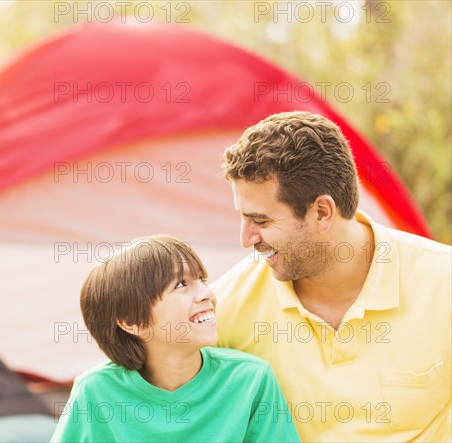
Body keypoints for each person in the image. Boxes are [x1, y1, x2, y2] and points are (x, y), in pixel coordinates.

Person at [212, 111, 451, 441]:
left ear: (322, 212)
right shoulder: (224, 308)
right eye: (243, 218)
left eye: (261, 221)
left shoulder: (443, 284)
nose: (246, 238)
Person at [51, 235, 300, 442]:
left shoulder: (251, 379)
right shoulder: (95, 392)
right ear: (132, 322)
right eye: (181, 284)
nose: (206, 293)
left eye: (201, 279)